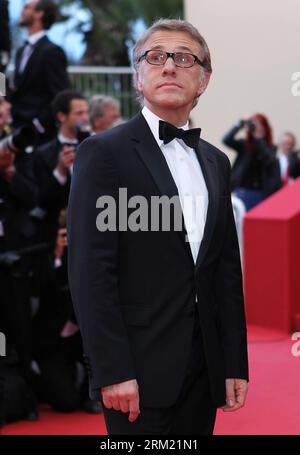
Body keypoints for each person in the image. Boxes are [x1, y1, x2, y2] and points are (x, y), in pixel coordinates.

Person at [68, 19, 249, 435]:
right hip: (136, 371)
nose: (169, 66)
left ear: (202, 81)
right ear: (139, 75)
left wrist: (234, 363)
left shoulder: (216, 161)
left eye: (184, 59)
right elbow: (90, 273)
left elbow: (224, 271)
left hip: (203, 372)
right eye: (156, 57)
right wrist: (111, 369)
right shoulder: (103, 153)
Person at [8, 0, 70, 145]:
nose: (22, 11)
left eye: (27, 7)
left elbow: (60, 94)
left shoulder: (52, 51)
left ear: (39, 14)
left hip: (39, 136)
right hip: (17, 130)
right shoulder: (21, 50)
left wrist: (38, 124)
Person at [223, 114, 281, 211]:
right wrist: (240, 124)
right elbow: (226, 140)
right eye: (254, 125)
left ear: (266, 128)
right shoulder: (244, 144)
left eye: (260, 125)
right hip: (243, 191)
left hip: (262, 193)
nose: (257, 128)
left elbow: (269, 160)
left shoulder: (271, 147)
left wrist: (259, 140)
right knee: (241, 221)